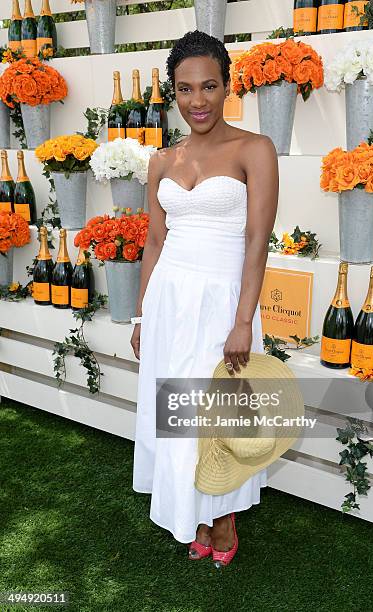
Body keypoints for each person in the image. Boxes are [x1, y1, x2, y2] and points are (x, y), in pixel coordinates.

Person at [131, 29, 278, 567]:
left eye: (209, 86)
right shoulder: (161, 161)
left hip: (223, 303)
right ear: (173, 93)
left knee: (218, 416)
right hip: (170, 300)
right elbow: (154, 241)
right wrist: (144, 314)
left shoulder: (254, 149)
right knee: (178, 414)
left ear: (227, 88)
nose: (198, 100)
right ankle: (193, 510)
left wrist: (243, 322)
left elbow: (256, 240)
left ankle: (225, 519)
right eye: (185, 89)